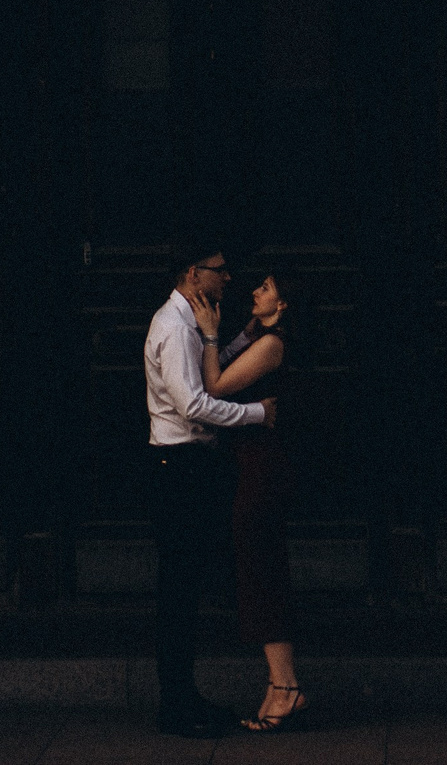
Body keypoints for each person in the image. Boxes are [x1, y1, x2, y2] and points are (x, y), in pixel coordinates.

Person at [143, 241, 275, 738]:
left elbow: (212, 367)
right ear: (193, 273)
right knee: (178, 591)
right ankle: (174, 707)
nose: (228, 278)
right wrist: (258, 414)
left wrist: (235, 335)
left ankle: (185, 697)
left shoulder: (193, 323)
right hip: (177, 467)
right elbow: (194, 404)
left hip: (188, 467)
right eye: (220, 270)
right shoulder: (174, 328)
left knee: (187, 587)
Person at [193, 268, 306, 733]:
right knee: (254, 563)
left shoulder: (273, 344)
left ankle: (287, 685)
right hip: (248, 464)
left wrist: (210, 335)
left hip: (264, 467)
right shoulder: (255, 333)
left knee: (260, 563)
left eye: (267, 288)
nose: (255, 291)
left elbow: (215, 386)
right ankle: (280, 684)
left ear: (283, 305)